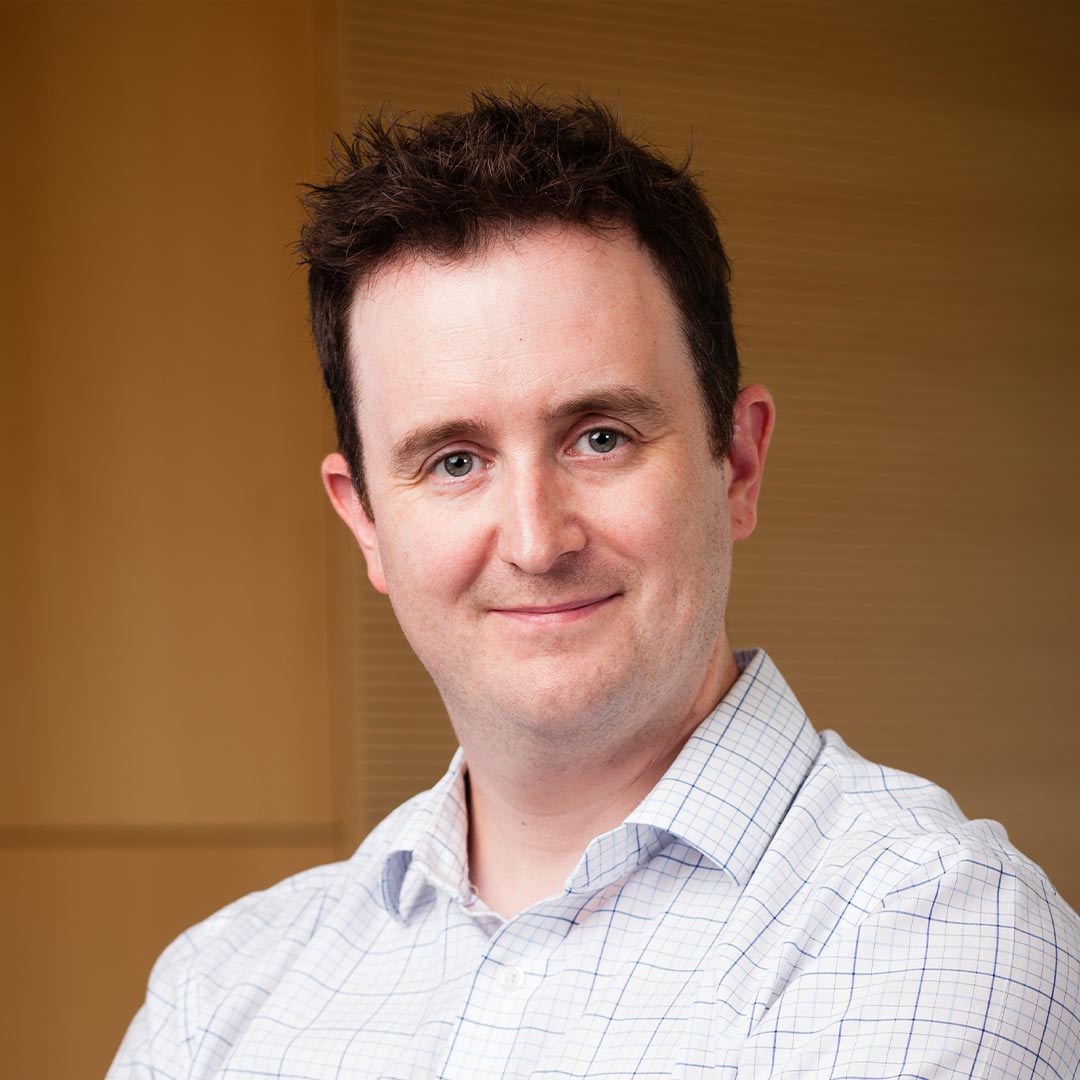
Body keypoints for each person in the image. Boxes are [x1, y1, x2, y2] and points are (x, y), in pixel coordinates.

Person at [109, 91, 1079, 1079]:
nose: (536, 540)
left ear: (736, 465)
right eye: (453, 460)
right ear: (365, 521)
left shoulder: (941, 939)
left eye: (600, 438)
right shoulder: (218, 999)